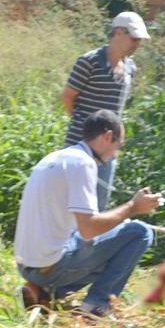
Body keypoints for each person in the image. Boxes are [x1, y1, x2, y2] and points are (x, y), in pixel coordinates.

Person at [15, 110, 162, 318]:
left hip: (26, 263)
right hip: (50, 265)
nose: (115, 155)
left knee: (117, 232)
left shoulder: (58, 157)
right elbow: (89, 229)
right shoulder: (83, 163)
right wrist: (132, 207)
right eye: (117, 147)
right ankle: (95, 305)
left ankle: (41, 291)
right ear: (107, 137)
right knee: (140, 232)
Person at [61, 12, 149, 211]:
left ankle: (90, 243)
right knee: (70, 206)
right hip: (80, 146)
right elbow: (68, 97)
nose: (137, 44)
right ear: (118, 32)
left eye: (140, 40)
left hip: (108, 150)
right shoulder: (89, 61)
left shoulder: (130, 67)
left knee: (98, 207)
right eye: (134, 38)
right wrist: (84, 128)